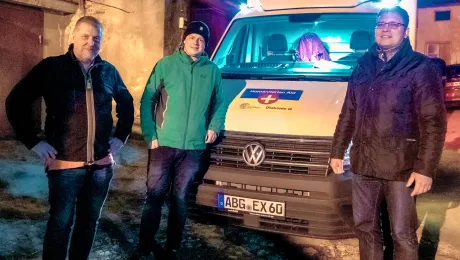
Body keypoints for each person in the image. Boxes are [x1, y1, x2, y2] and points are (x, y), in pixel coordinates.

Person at [5, 16, 134, 260]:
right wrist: (33, 141)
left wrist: (121, 136)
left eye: (96, 38)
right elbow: (15, 101)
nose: (90, 42)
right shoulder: (52, 68)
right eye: (85, 36)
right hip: (65, 166)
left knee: (88, 223)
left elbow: (126, 104)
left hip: (100, 167)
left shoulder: (108, 71)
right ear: (72, 37)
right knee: (60, 224)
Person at [329, 6, 446, 260]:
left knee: (402, 233)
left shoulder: (420, 67)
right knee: (366, 229)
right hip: (364, 165)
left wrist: (425, 168)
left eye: (393, 24)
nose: (386, 28)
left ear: (405, 32)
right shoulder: (362, 66)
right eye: (381, 24)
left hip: (401, 167)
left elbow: (433, 122)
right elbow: (348, 113)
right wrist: (337, 151)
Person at [136, 21, 226, 259]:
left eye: (201, 39)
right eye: (193, 37)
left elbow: (220, 103)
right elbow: (148, 100)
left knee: (180, 199)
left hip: (193, 148)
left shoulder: (213, 71)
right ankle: (145, 245)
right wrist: (150, 134)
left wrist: (214, 127)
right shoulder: (166, 65)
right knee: (154, 197)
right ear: (184, 40)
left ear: (205, 45)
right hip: (163, 143)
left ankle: (172, 248)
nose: (196, 42)